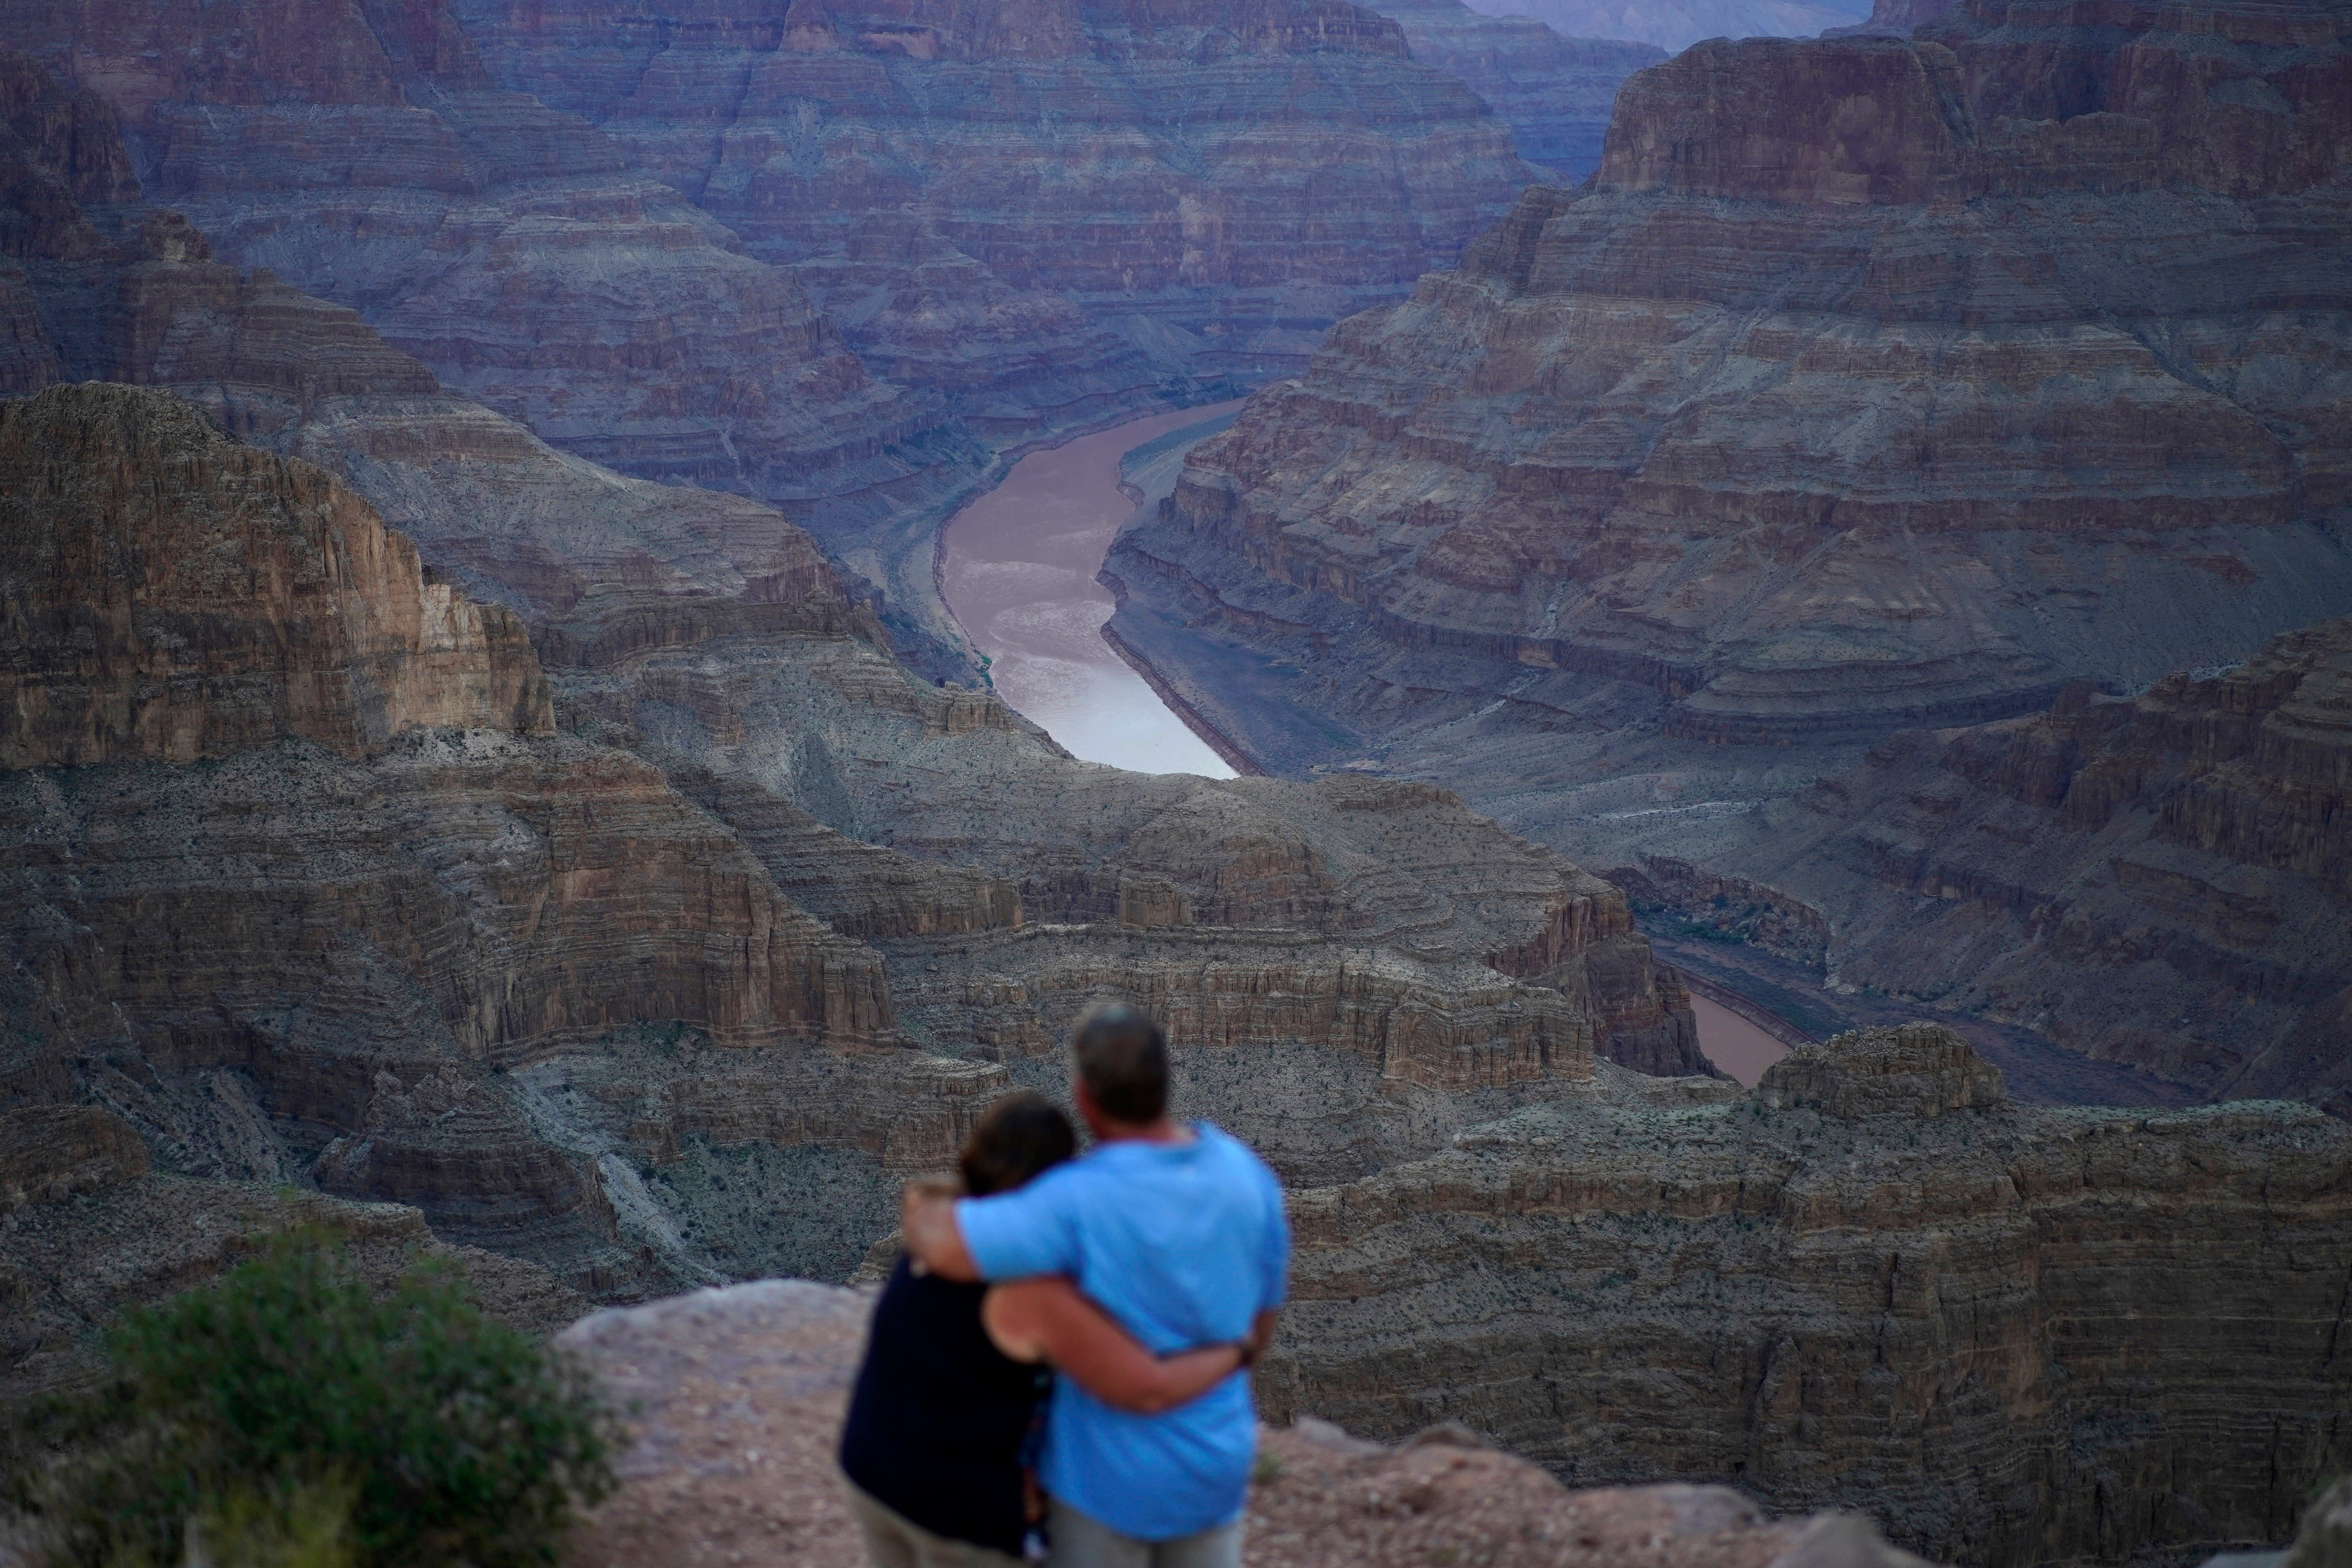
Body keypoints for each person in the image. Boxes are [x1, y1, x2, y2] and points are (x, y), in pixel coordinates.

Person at [902, 1006, 1290, 1568]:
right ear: (1166, 1080)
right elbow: (1262, 1323)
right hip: (1214, 1467)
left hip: (1104, 1486)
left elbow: (941, 1246)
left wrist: (922, 1199)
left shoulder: (1071, 1201)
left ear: (1085, 1098)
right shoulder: (1248, 1175)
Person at [840, 1091, 1251, 1568]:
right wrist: (1234, 1351)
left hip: (871, 1472)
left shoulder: (938, 1233)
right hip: (953, 1511)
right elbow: (1147, 1387)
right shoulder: (1028, 1288)